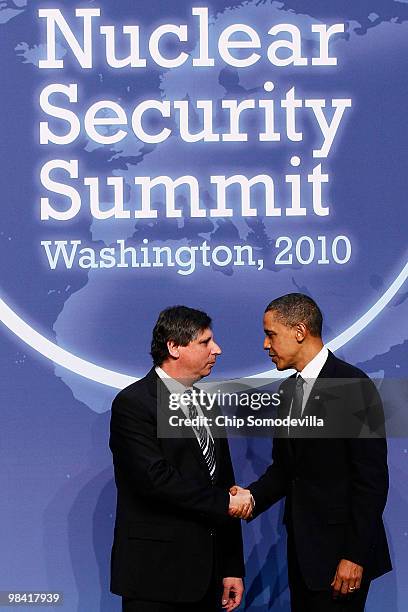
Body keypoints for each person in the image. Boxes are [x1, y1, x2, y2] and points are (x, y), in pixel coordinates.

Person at [230, 293, 391, 611]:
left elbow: (371, 480)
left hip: (342, 561)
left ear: (299, 331)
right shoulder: (289, 390)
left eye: (271, 334)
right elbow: (285, 469)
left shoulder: (352, 385)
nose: (266, 345)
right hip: (304, 556)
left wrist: (354, 556)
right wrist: (250, 498)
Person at [110, 305, 251, 612]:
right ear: (173, 347)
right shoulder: (134, 404)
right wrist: (224, 503)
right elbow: (154, 479)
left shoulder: (207, 403)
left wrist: (231, 566)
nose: (217, 349)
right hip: (155, 578)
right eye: (205, 342)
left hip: (207, 576)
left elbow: (223, 483)